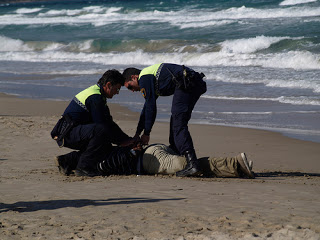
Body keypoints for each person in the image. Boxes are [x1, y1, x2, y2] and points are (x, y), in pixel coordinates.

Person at [122, 63, 207, 177]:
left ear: (134, 77)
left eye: (130, 86)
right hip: (192, 81)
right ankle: (176, 151)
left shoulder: (144, 78)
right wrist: (138, 132)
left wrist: (146, 133)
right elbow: (146, 108)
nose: (132, 90)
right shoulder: (148, 77)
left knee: (178, 124)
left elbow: (151, 107)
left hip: (187, 81)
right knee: (176, 119)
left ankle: (192, 163)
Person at [51, 69, 136, 177]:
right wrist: (122, 142)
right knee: (101, 133)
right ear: (109, 85)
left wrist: (126, 140)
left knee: (104, 145)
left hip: (74, 131)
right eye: (117, 89)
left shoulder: (99, 94)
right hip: (68, 133)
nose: (117, 92)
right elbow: (102, 126)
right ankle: (84, 168)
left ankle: (66, 161)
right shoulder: (95, 97)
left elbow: (109, 123)